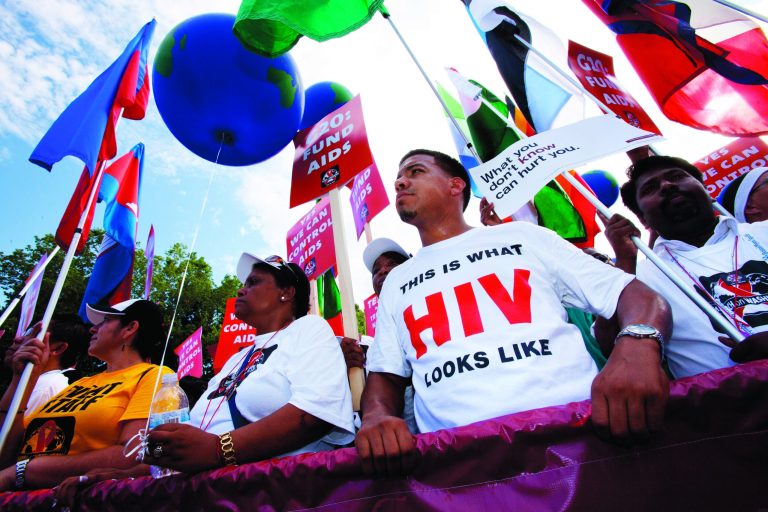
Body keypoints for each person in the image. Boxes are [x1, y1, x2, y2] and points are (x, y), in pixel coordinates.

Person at [355, 149, 672, 476]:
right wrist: (377, 417)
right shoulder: (397, 283)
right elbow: (385, 375)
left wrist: (637, 347)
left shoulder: (524, 237)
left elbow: (634, 294)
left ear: (456, 185)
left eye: (415, 171)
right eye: (399, 177)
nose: (400, 182)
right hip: (465, 471)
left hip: (583, 447)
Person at [141, 254, 354, 474]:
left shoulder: (308, 328)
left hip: (270, 490)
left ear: (287, 292)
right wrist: (149, 464)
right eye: (244, 284)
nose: (240, 291)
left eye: (253, 282)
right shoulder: (236, 359)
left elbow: (317, 412)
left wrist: (217, 450)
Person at [601, 156, 768, 378]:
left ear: (706, 190)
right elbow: (611, 347)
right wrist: (624, 260)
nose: (667, 185)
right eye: (650, 188)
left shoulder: (762, 234)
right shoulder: (640, 276)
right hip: (737, 407)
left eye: (677, 177)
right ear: (643, 219)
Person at [0, 299, 172, 491]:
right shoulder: (79, 384)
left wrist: (22, 472)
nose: (92, 329)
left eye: (105, 321)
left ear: (130, 328)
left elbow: (133, 452)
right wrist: (21, 380)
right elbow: (6, 451)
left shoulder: (154, 376)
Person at [3, 314, 90, 418]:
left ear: (58, 348)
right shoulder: (49, 383)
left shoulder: (45, 387)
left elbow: (6, 432)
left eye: (33, 334)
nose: (18, 339)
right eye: (27, 332)